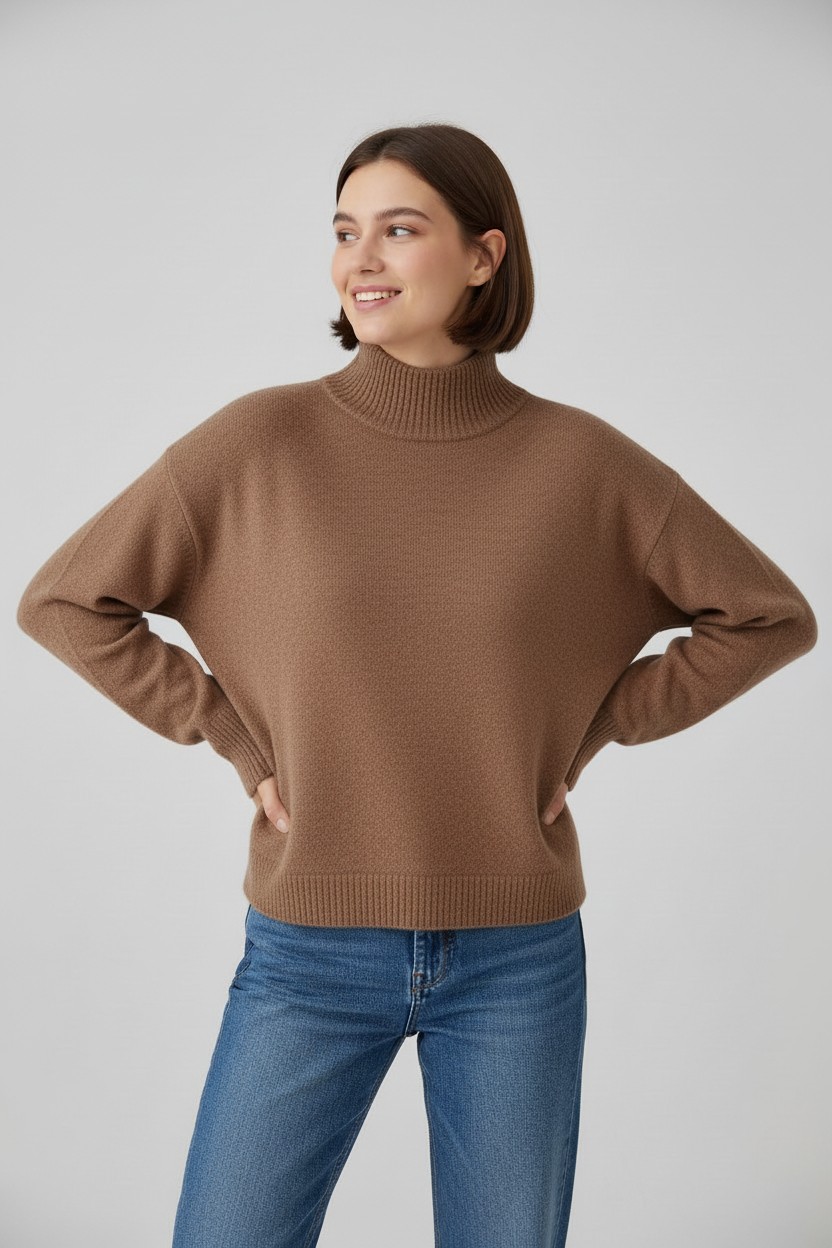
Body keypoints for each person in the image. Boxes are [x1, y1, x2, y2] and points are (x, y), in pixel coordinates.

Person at [16, 122, 817, 1247]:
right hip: (309, 946)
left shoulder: (582, 464)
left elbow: (768, 616)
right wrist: (229, 733)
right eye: (345, 231)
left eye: (399, 229)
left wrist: (598, 725)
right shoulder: (259, 443)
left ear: (484, 256)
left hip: (516, 955)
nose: (362, 259)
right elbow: (65, 601)